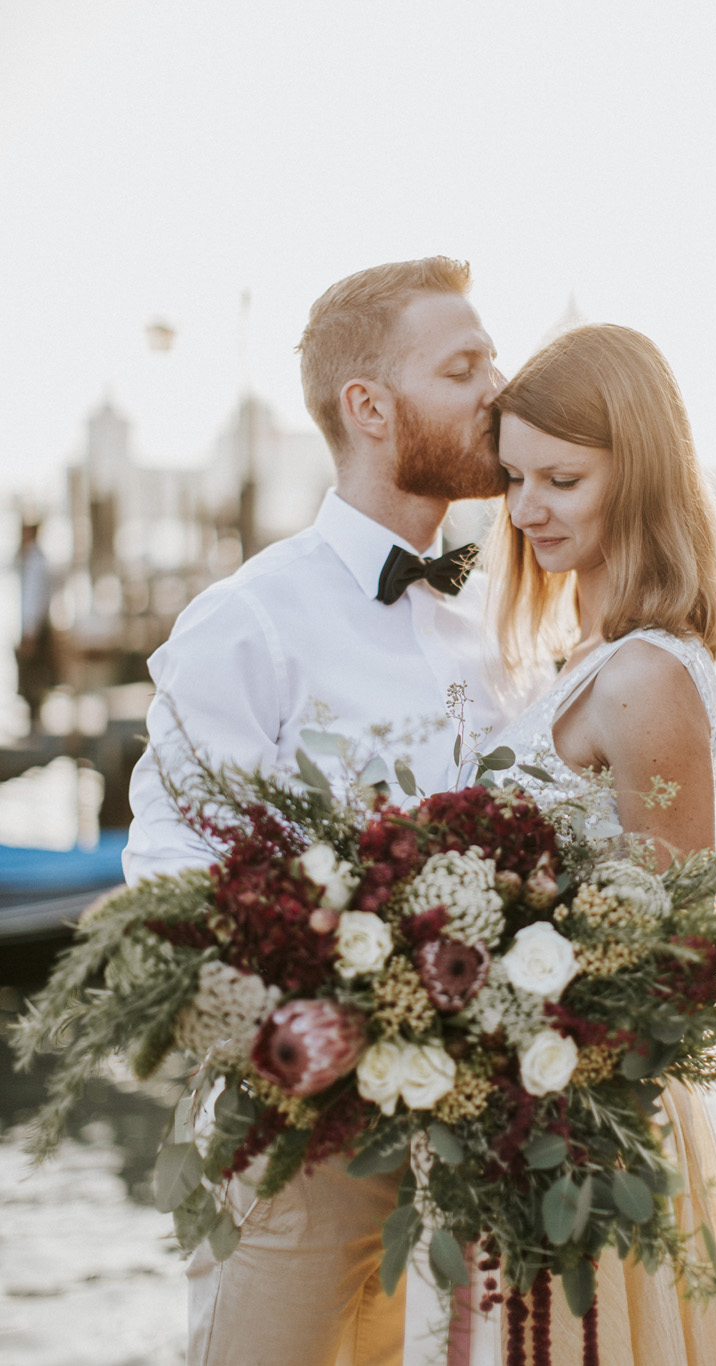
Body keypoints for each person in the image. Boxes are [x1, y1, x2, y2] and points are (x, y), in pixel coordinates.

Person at [123, 256, 538, 1366]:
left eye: (491, 358)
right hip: (302, 1160)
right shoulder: (246, 622)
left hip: (476, 1167)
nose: (498, 385)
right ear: (368, 405)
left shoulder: (494, 628)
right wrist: (296, 1040)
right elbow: (166, 872)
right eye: (463, 366)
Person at [478, 324, 716, 1364]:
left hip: (583, 1127)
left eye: (560, 479)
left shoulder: (643, 674)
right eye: (513, 478)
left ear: (640, 469)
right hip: (528, 1100)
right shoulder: (589, 651)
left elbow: (665, 951)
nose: (526, 511)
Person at [15, 520, 54, 729]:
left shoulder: (35, 561)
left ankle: (35, 721)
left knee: (33, 677)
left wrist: (30, 633)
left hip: (34, 630)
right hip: (34, 628)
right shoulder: (33, 559)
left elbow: (34, 599)